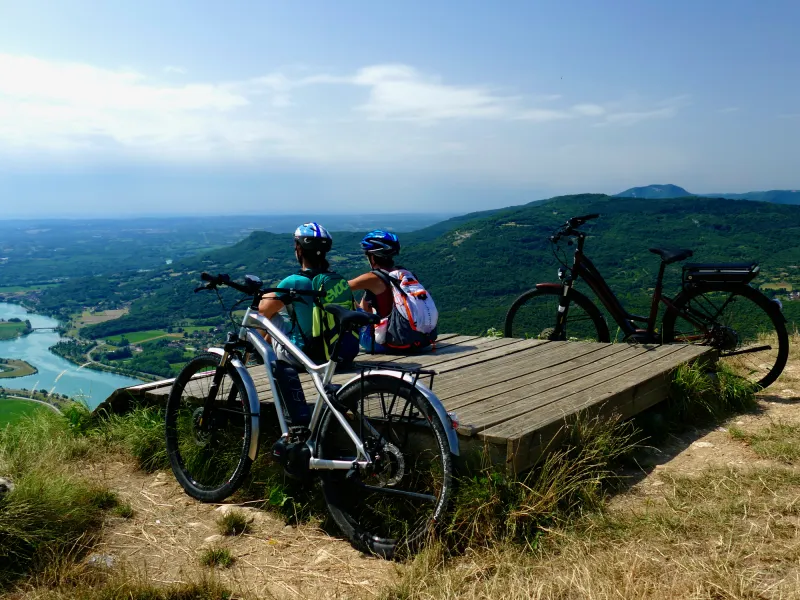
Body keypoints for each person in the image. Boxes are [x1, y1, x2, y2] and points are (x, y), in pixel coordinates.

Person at [349, 230, 438, 353]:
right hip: (419, 341)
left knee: (343, 298)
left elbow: (338, 287)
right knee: (371, 295)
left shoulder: (372, 278)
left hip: (389, 344)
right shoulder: (406, 275)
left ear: (372, 257)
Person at [258, 222, 333, 365]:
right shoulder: (335, 280)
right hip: (334, 353)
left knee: (273, 314)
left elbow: (263, 311)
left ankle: (257, 352)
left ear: (299, 249)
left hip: (303, 357)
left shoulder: (294, 282)